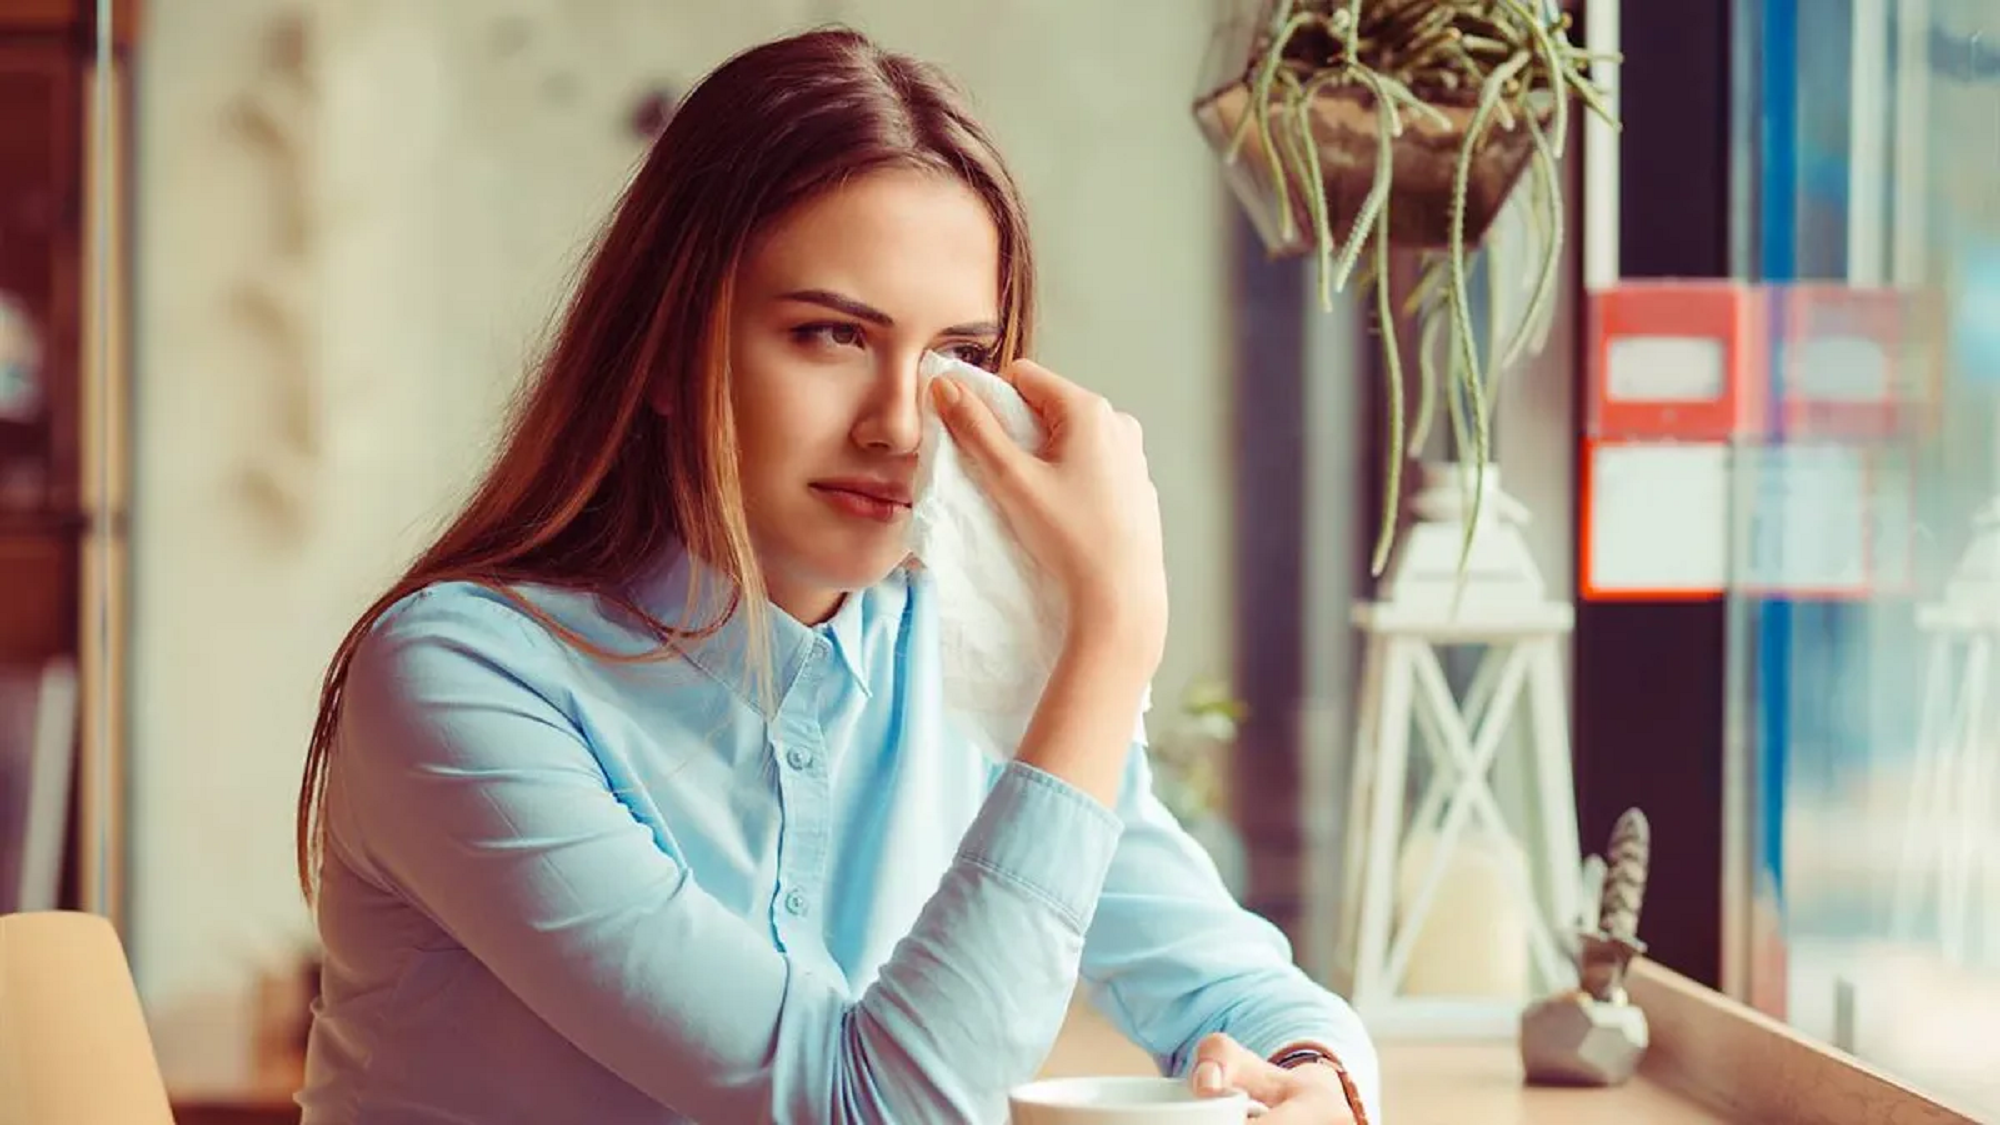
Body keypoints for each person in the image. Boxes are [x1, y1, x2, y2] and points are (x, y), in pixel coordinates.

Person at [293, 26, 1378, 1125]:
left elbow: (1235, 987)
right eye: (828, 335)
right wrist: (1110, 632)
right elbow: (863, 1108)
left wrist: (1315, 1082)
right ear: (672, 352)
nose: (901, 425)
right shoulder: (459, 678)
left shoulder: (968, 652)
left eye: (955, 357)